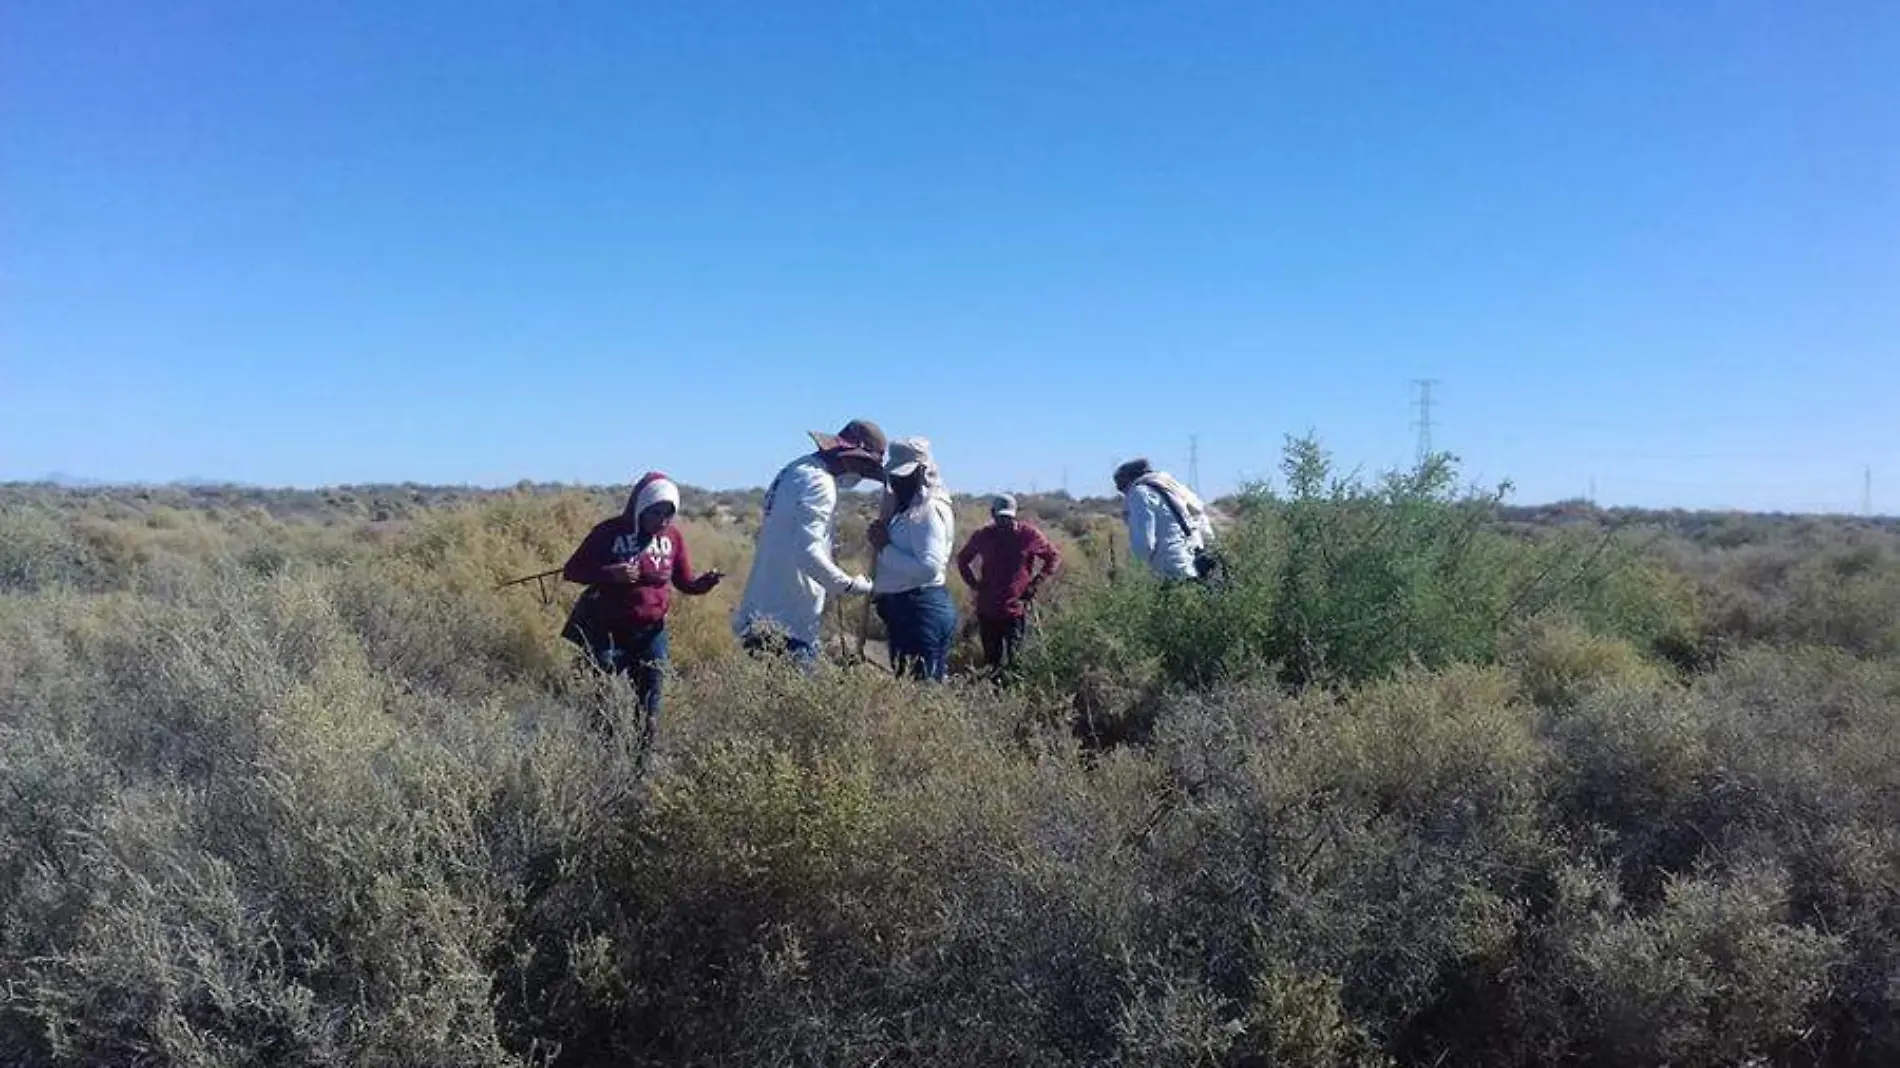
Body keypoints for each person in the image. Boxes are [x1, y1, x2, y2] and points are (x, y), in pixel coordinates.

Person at [561, 471, 723, 744]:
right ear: (641, 508)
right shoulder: (608, 532)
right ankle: (601, 755)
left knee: (649, 703)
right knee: (601, 701)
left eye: (669, 513)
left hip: (651, 633)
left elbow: (684, 582)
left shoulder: (672, 537)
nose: (662, 521)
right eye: (656, 513)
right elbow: (573, 570)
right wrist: (610, 573)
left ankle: (642, 760)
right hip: (606, 632)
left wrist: (704, 584)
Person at [733, 420, 887, 666]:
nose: (862, 475)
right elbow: (808, 553)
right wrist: (848, 585)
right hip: (788, 624)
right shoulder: (820, 483)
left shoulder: (795, 470)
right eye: (864, 466)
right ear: (849, 456)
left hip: (761, 611)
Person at [869, 437, 958, 681]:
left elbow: (929, 568)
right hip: (911, 608)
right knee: (919, 688)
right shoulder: (908, 509)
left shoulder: (927, 510)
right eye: (895, 475)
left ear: (923, 471)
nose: (899, 480)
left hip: (920, 610)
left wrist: (884, 547)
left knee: (919, 692)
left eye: (905, 474)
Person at [955, 494, 1062, 674]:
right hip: (988, 609)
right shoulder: (984, 536)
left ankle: (1014, 693)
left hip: (1015, 608)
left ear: (1015, 515)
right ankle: (994, 695)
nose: (1005, 522)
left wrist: (1035, 584)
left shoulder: (1028, 535)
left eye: (1008, 518)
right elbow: (962, 560)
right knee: (992, 662)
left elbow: (1053, 557)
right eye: (1001, 517)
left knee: (1017, 660)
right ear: (993, 515)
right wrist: (975, 585)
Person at [1114, 458, 1220, 583]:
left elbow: (1144, 544)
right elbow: (1206, 532)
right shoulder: (1176, 490)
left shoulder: (1140, 493)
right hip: (1199, 568)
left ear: (1127, 481)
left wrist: (1131, 576)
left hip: (1170, 571)